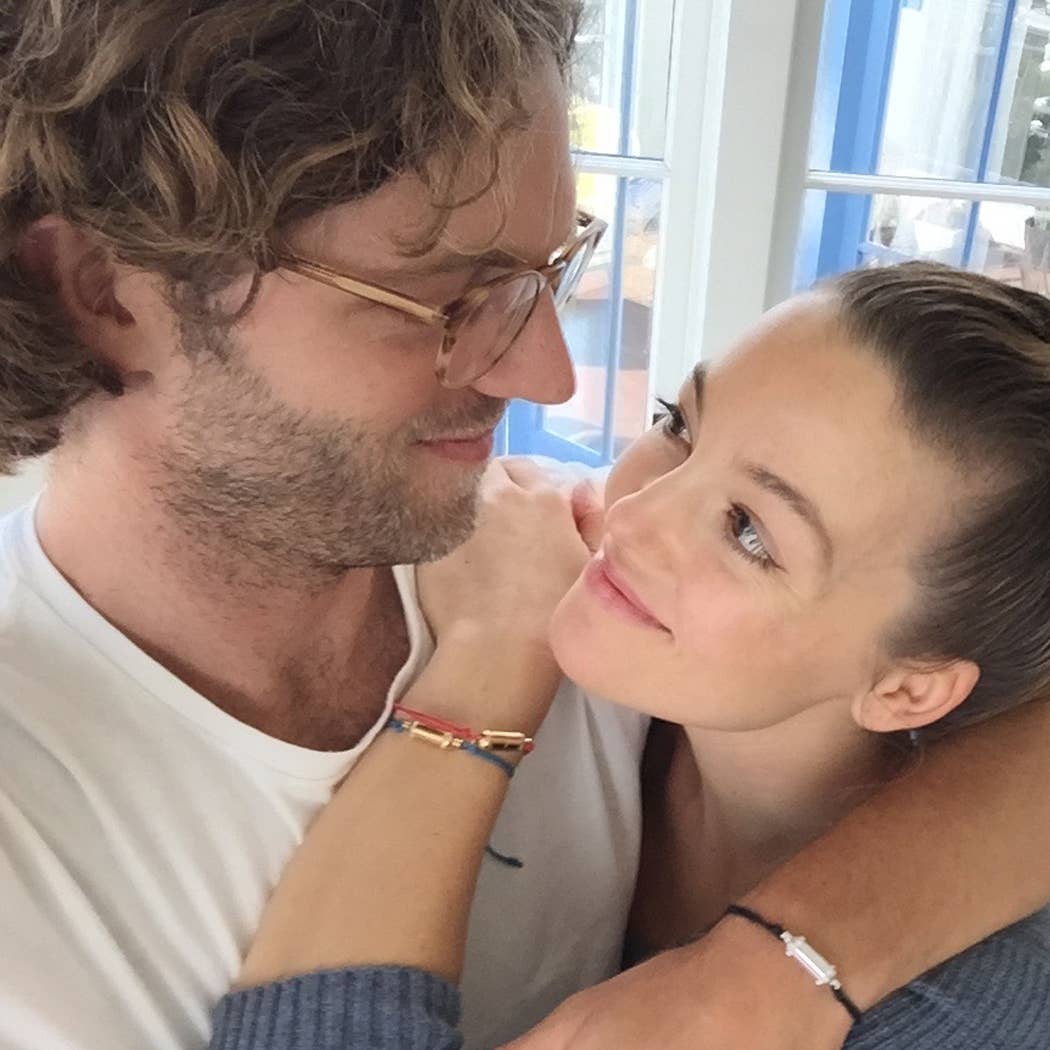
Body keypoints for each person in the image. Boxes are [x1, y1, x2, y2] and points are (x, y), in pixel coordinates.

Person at [0, 2, 1049, 1048]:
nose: (547, 374)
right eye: (445, 299)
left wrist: (774, 966)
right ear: (106, 292)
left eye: (548, 273)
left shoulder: (575, 559)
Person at [211, 263, 1050, 1050]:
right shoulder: (541, 558)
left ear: (909, 688)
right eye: (679, 428)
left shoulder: (967, 1012)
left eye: (747, 531)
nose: (637, 513)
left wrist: (490, 661)